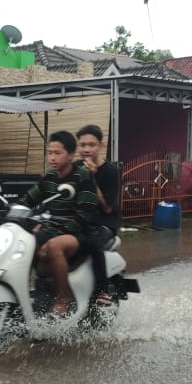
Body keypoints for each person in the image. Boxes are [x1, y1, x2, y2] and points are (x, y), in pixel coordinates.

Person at [0, 130, 99, 315]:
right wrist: (1, 213)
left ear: (71, 155)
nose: (52, 158)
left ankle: (61, 300)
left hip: (80, 232)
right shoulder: (48, 178)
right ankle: (26, 294)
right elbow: (27, 201)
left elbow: (84, 216)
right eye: (49, 153)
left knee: (54, 247)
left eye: (58, 153)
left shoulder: (82, 177)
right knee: (23, 244)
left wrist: (52, 233)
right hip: (54, 229)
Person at [75, 125, 121, 304]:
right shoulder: (75, 167)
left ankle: (101, 291)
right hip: (81, 220)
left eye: (91, 145)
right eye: (83, 145)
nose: (86, 149)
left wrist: (91, 178)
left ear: (100, 146)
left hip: (104, 222)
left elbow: (107, 207)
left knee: (93, 242)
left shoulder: (110, 171)